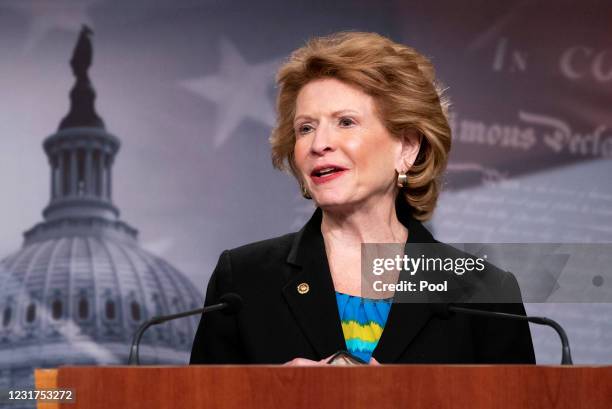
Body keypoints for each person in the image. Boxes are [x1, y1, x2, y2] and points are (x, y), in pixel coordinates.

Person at [190, 31, 535, 365]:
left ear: (407, 148)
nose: (318, 143)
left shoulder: (482, 292)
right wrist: (273, 396)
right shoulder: (243, 282)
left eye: (345, 122)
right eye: (305, 128)